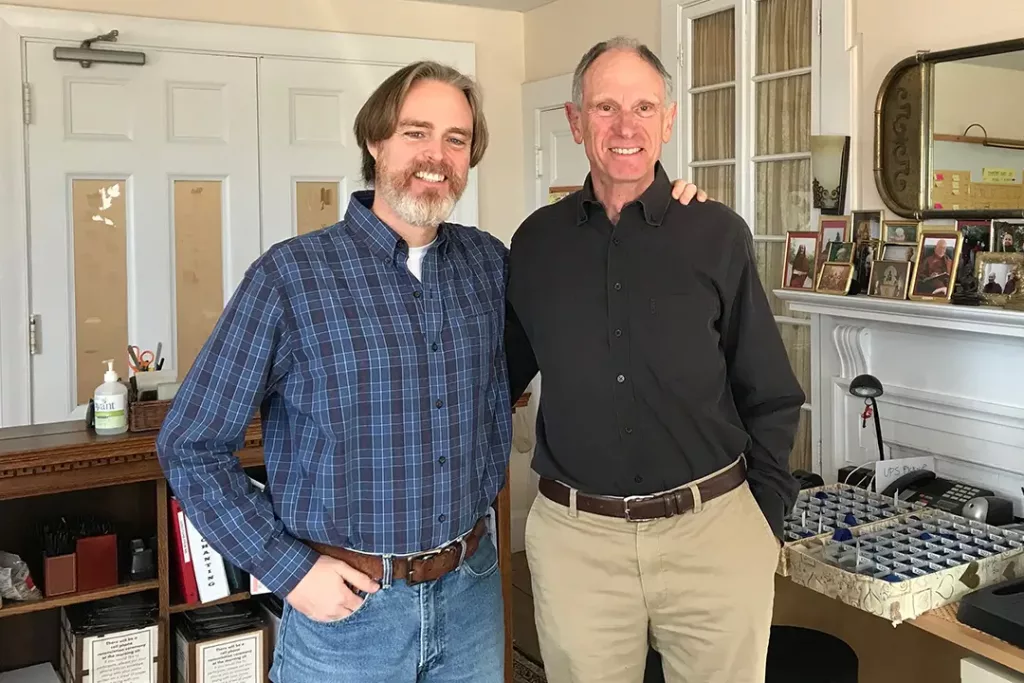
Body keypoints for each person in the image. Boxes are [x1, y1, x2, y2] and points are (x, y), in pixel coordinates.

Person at [156, 59, 704, 683]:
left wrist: (661, 208)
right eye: (416, 132)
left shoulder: (489, 265)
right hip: (347, 615)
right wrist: (290, 572)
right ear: (375, 140)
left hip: (471, 597)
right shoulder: (290, 279)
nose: (435, 155)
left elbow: (584, 313)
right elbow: (190, 446)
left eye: (456, 139)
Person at [505, 37, 805, 683]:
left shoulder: (715, 232)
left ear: (668, 119)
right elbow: (494, 378)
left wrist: (763, 519)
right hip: (578, 543)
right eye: (605, 107)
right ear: (575, 120)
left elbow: (769, 389)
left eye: (644, 107)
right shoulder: (535, 243)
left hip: (715, 532)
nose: (625, 126)